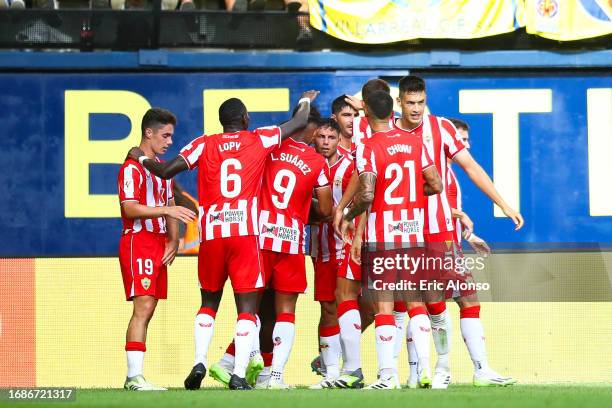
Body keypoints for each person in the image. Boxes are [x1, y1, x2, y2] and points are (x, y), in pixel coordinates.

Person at [128, 90, 319, 390]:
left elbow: (165, 171)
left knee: (208, 303)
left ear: (221, 122)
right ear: (244, 119)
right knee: (246, 308)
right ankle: (239, 373)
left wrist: (139, 156)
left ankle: (200, 361)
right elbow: (300, 121)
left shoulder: (205, 143)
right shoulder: (258, 138)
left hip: (213, 234)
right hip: (245, 235)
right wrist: (305, 100)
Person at [340, 90, 442, 389]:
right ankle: (424, 369)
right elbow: (435, 184)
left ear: (367, 112)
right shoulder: (415, 141)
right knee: (415, 303)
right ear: (393, 111)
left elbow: (368, 193)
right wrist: (411, 197)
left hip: (383, 235)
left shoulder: (368, 146)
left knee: (384, 308)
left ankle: (388, 376)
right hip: (413, 232)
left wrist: (348, 212)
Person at [118, 108, 197, 391]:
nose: (169, 141)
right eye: (165, 135)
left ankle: (136, 375)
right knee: (144, 305)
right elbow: (129, 207)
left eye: (171, 136)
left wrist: (173, 240)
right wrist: (166, 210)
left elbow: (171, 207)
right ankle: (133, 376)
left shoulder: (161, 169)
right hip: (137, 240)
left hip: (157, 243)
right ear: (148, 133)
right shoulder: (131, 168)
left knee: (149, 307)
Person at [308, 118, 354, 388]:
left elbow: (364, 198)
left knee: (365, 307)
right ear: (314, 138)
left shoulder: (350, 164)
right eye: (321, 137)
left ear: (339, 140)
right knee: (328, 308)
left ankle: (347, 363)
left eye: (330, 138)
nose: (325, 143)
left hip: (348, 246)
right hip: (321, 249)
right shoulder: (307, 164)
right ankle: (330, 372)